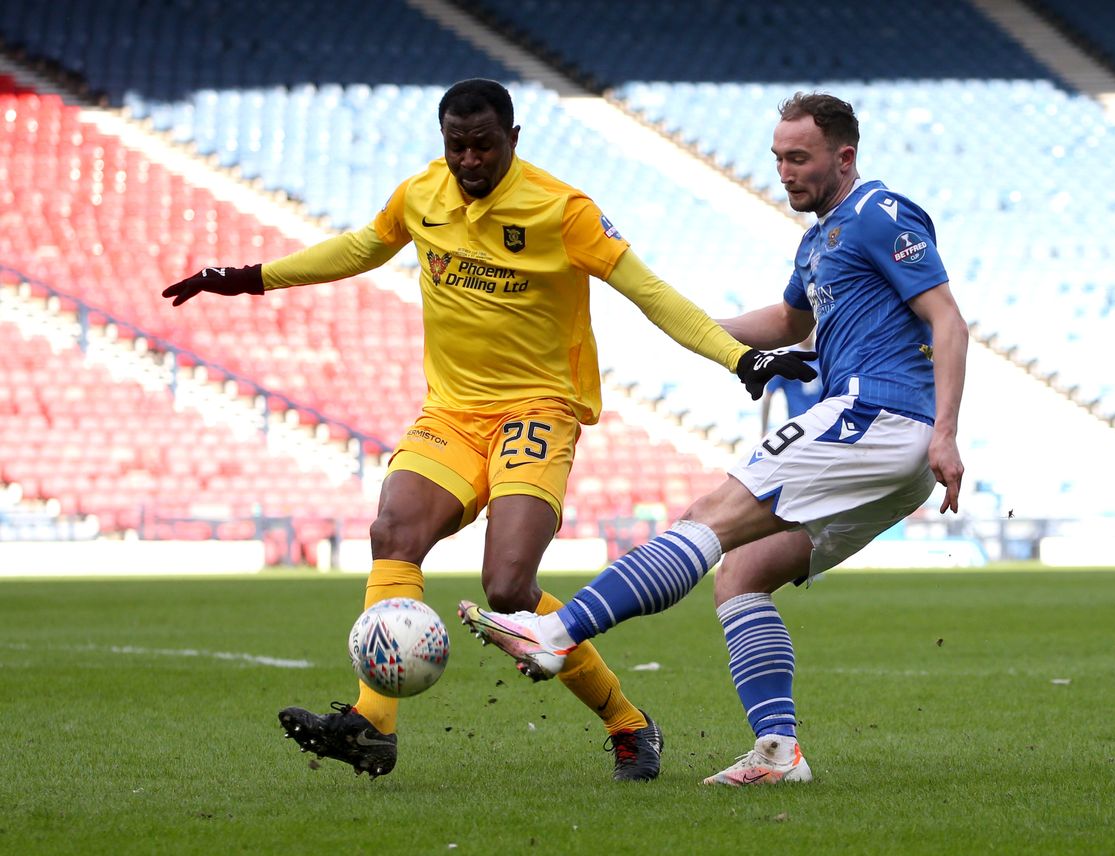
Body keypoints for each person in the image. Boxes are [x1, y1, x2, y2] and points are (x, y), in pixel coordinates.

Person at [162, 79, 814, 782]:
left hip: (538, 411)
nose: (468, 161)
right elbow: (358, 249)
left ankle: (628, 722)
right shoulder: (421, 195)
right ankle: (373, 724)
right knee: (394, 533)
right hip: (452, 414)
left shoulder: (562, 211)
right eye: (455, 146)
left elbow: (650, 292)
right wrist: (250, 278)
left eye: (483, 146)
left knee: (507, 587)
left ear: (514, 139)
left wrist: (738, 355)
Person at [460, 91, 967, 786]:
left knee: (707, 519)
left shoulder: (882, 214)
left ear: (844, 157)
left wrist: (946, 434)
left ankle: (556, 633)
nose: (785, 172)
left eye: (800, 158)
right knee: (741, 574)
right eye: (778, 158)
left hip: (876, 416)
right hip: (881, 441)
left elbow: (949, 322)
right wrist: (689, 330)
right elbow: (790, 323)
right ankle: (778, 752)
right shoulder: (818, 239)